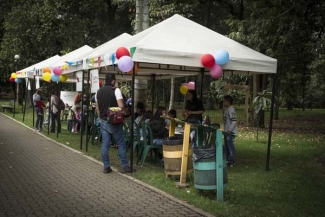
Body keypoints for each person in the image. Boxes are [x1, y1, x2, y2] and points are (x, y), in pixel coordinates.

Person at [96, 73, 133, 174]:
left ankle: (106, 167)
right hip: (114, 122)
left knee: (105, 144)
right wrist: (125, 111)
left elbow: (98, 108)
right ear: (113, 80)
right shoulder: (116, 90)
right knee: (121, 143)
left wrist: (101, 117)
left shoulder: (98, 91)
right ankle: (125, 166)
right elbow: (121, 105)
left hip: (103, 120)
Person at [223, 95, 238, 167]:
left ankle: (232, 162)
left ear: (228, 102)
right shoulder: (227, 109)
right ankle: (226, 160)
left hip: (230, 132)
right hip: (226, 131)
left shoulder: (231, 110)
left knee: (230, 147)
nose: (223, 102)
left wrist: (229, 130)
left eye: (224, 101)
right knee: (227, 147)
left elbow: (234, 121)